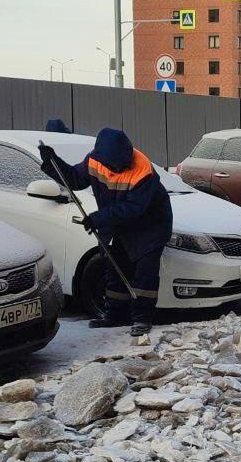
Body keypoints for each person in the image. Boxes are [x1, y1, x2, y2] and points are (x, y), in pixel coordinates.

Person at [38, 128, 173, 334]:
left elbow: (134, 208)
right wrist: (53, 162)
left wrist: (99, 218)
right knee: (116, 268)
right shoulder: (95, 161)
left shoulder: (142, 170)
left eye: (125, 162)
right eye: (117, 164)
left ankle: (142, 318)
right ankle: (115, 315)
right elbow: (74, 179)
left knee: (145, 274)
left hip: (151, 226)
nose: (122, 167)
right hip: (120, 224)